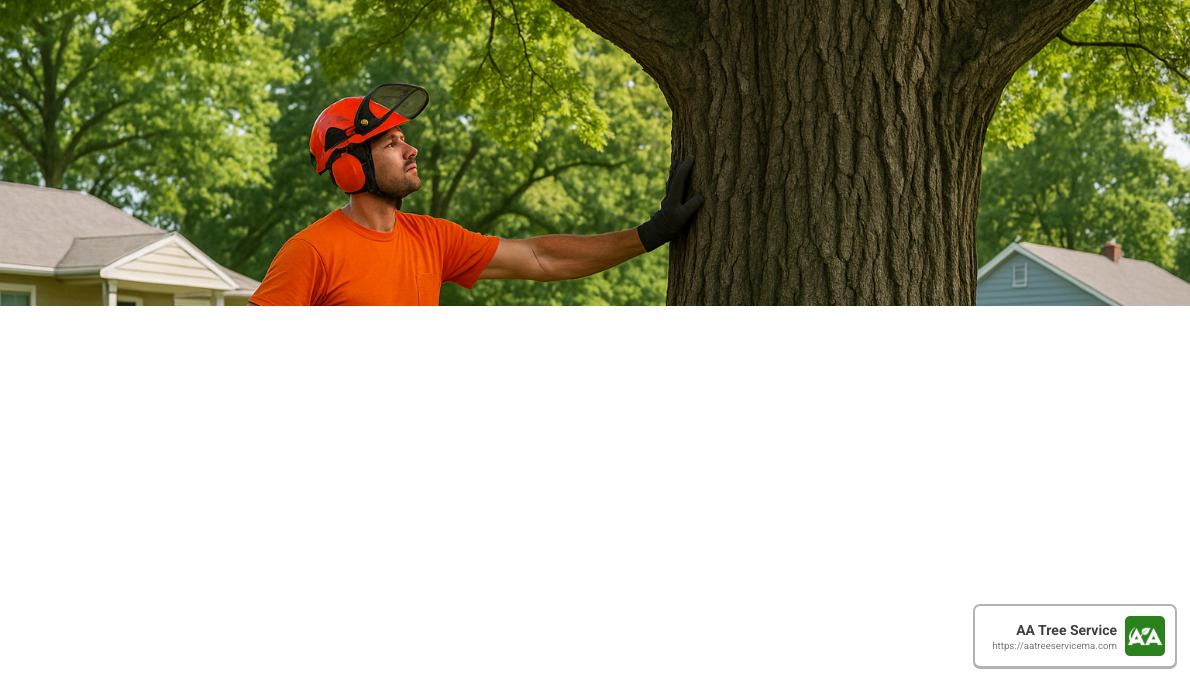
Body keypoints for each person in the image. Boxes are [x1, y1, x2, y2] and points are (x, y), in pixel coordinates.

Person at [248, 82, 702, 306]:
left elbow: (542, 258)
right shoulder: (311, 252)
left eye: (403, 139)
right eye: (391, 144)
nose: (411, 149)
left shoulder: (432, 239)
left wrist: (653, 232)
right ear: (349, 168)